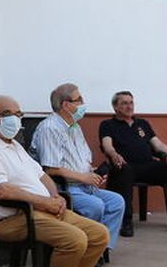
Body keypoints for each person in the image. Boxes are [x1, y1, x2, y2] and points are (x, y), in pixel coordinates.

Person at [0, 95, 109, 267]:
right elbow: (3, 191)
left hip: (42, 211)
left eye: (18, 115)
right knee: (75, 240)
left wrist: (56, 197)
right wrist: (46, 202)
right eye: (7, 115)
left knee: (99, 235)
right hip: (14, 218)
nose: (14, 120)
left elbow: (42, 175)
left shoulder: (15, 146)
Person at [32, 83, 126, 250]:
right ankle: (88, 247)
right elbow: (50, 169)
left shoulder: (75, 127)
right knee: (95, 205)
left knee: (117, 202)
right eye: (79, 100)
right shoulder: (50, 128)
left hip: (84, 185)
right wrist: (84, 177)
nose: (83, 103)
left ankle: (101, 249)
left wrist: (93, 173)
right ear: (66, 105)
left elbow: (80, 160)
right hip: (64, 188)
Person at [98, 90, 167, 237]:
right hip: (125, 166)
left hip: (147, 165)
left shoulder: (142, 123)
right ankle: (126, 222)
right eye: (124, 103)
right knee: (125, 171)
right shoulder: (107, 125)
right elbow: (107, 145)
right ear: (115, 107)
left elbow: (158, 146)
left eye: (131, 102)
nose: (129, 106)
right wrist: (114, 154)